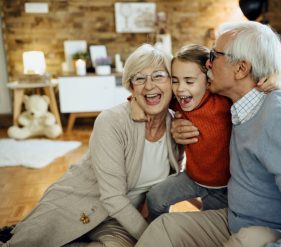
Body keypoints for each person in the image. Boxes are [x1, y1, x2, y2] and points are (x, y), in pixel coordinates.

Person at [135, 21, 281, 247]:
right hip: (237, 219)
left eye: (214, 55)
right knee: (164, 229)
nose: (207, 63)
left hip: (275, 232)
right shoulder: (237, 101)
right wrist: (146, 108)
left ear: (241, 68)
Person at [1, 44, 183, 247]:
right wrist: (152, 238)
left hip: (119, 222)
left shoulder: (177, 126)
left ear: (172, 82)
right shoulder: (112, 121)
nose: (149, 85)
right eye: (139, 78)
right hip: (72, 207)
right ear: (131, 87)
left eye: (159, 76)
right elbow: (113, 197)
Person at [131, 44, 279, 222]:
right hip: (193, 177)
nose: (179, 89)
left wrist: (275, 76)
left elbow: (254, 88)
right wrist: (134, 101)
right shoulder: (178, 101)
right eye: (175, 80)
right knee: (155, 197)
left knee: (209, 224)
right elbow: (152, 96)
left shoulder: (224, 101)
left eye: (189, 81)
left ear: (209, 80)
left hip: (227, 186)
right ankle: (153, 229)